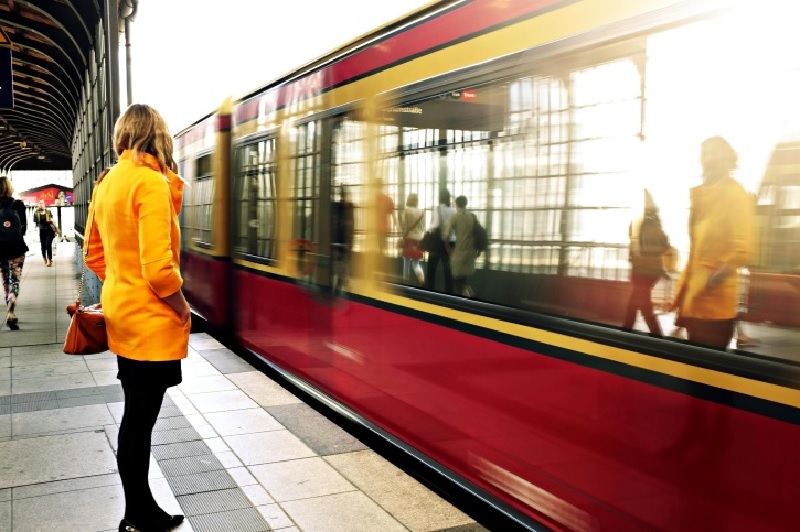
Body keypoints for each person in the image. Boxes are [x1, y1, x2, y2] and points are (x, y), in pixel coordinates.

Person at [84, 104, 190, 532]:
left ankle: (139, 509)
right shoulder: (149, 183)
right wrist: (182, 308)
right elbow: (160, 269)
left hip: (123, 317)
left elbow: (94, 254)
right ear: (158, 136)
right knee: (140, 419)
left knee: (136, 414)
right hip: (150, 321)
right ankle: (138, 514)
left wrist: (122, 284)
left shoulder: (108, 183)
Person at [669, 137, 754, 349]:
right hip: (693, 304)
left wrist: (715, 276)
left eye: (713, 153)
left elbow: (742, 250)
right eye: (704, 153)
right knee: (693, 373)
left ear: (726, 159)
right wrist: (681, 298)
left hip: (715, 309)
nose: (708, 159)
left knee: (706, 375)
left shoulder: (735, 194)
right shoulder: (699, 195)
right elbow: (695, 254)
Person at [622, 190, 670, 335]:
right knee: (637, 301)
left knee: (642, 302)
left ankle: (654, 334)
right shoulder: (658, 226)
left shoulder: (637, 224)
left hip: (640, 271)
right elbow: (666, 246)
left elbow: (632, 244)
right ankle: (627, 328)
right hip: (653, 272)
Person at [0, 175, 28, 330]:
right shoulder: (18, 205)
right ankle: (12, 306)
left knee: (5, 280)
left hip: (0, 250)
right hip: (16, 248)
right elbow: (24, 228)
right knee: (15, 280)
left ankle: (10, 312)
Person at [444, 195, 478, 297]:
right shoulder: (472, 217)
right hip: (471, 251)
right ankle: (471, 296)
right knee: (465, 278)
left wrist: (448, 248)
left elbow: (446, 234)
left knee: (458, 279)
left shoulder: (454, 217)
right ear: (466, 203)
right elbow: (478, 233)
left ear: (456, 204)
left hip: (459, 251)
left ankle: (465, 300)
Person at [425, 189, 456, 293]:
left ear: (439, 198)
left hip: (437, 243)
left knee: (431, 269)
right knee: (448, 270)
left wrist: (428, 229)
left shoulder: (437, 209)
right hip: (451, 242)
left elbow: (434, 225)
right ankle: (449, 293)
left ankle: (430, 291)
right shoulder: (453, 211)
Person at [401, 193, 425, 285]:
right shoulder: (422, 212)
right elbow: (423, 227)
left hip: (409, 239)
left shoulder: (406, 211)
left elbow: (404, 225)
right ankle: (422, 281)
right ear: (416, 201)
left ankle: (405, 282)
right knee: (416, 264)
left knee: (406, 261)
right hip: (418, 239)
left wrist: (403, 235)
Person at [33, 199, 57, 266]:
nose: (41, 204)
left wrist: (55, 230)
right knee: (43, 246)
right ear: (38, 204)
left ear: (44, 204)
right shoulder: (36, 212)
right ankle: (44, 257)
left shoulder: (48, 212)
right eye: (40, 203)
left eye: (42, 203)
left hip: (50, 230)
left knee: (48, 244)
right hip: (42, 231)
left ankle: (49, 259)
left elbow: (52, 222)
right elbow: (35, 223)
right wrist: (34, 228)